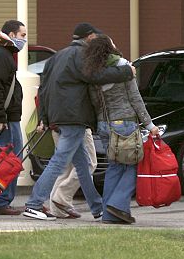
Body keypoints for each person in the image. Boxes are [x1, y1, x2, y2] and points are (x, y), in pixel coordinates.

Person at [22, 22, 135, 221]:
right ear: (90, 37)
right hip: (74, 116)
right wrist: (127, 72)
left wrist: (45, 117)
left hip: (60, 116)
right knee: (59, 161)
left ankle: (97, 207)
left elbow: (44, 89)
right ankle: (34, 204)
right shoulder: (80, 56)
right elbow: (97, 76)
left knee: (83, 165)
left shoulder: (56, 56)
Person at [85, 35, 159, 224]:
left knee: (115, 166)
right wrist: (149, 125)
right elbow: (135, 98)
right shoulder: (124, 67)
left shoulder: (92, 71)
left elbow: (94, 102)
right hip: (124, 123)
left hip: (104, 124)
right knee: (134, 164)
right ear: (109, 48)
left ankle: (109, 214)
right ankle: (117, 206)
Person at [0, 19, 28, 216]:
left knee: (4, 158)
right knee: (10, 159)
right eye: (22, 35)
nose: (24, 40)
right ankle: (0, 201)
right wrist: (1, 118)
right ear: (11, 34)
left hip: (6, 116)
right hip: (6, 118)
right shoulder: (1, 54)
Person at [47, 129, 96, 219]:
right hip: (78, 125)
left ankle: (57, 210)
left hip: (57, 126)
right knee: (89, 164)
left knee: (65, 169)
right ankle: (62, 197)